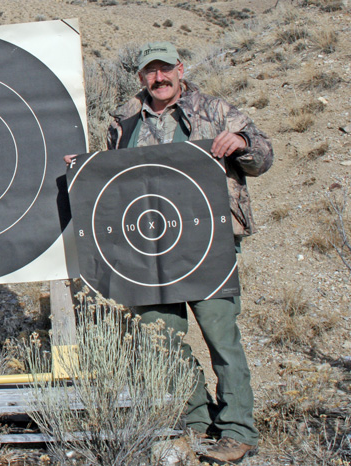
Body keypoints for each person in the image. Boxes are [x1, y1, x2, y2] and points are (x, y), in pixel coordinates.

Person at [66, 41, 273, 464]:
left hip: (208, 244)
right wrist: (84, 168)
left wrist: (240, 141)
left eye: (165, 70)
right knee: (161, 340)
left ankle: (238, 429)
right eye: (149, 72)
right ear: (140, 76)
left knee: (221, 337)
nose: (158, 79)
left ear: (180, 69)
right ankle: (195, 419)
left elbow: (262, 156)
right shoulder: (124, 121)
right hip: (146, 248)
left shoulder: (214, 110)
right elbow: (114, 178)